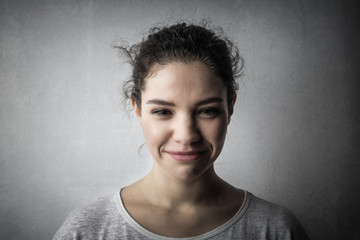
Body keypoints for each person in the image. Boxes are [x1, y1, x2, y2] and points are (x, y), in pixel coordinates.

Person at [53, 22, 308, 240]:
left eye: (206, 110)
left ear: (230, 107)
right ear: (138, 109)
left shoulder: (275, 229)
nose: (186, 136)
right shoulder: (87, 231)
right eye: (163, 112)